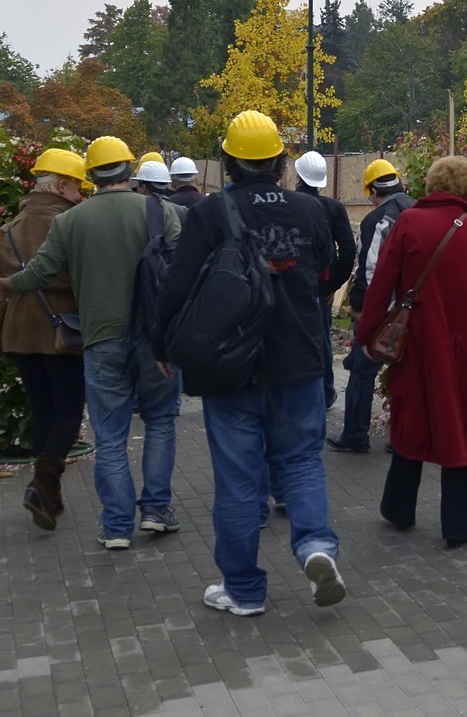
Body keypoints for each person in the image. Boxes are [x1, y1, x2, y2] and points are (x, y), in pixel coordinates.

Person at [150, 110, 343, 616]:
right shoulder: (311, 210)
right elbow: (324, 272)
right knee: (301, 462)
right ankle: (316, 546)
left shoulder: (212, 212)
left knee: (238, 481)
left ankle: (243, 590)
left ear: (229, 161)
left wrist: (160, 345)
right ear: (280, 161)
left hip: (230, 366)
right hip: (299, 359)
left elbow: (177, 284)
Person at [0, 135, 184, 550]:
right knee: (161, 422)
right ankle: (155, 511)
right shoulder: (160, 211)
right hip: (155, 339)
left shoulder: (71, 221)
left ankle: (116, 526)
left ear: (92, 175)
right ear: (129, 170)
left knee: (110, 435)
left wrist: (6, 285)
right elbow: (187, 264)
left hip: (100, 339)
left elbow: (39, 273)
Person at [355, 156, 467, 547]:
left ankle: (399, 510)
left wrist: (368, 334)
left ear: (431, 185)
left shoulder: (409, 223)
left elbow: (381, 285)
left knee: (412, 423)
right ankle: (457, 526)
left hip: (419, 343)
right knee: (461, 428)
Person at [0, 147, 89, 531]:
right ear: (61, 186)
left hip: (18, 334)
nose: (80, 194)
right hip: (61, 332)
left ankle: (48, 495)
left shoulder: (9, 229)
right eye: (77, 187)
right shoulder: (71, 224)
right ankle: (42, 484)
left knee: (42, 409)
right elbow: (80, 281)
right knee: (69, 411)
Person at [328, 158, 415, 453]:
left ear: (373, 191)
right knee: (408, 374)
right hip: (415, 309)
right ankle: (404, 437)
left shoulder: (376, 221)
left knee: (362, 372)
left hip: (383, 312)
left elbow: (370, 271)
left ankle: (355, 435)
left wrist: (360, 308)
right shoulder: (418, 211)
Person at [292, 150, 357, 410]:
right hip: (320, 286)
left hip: (291, 285)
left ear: (298, 176)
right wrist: (334, 284)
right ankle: (326, 392)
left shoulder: (288, 204)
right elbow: (348, 250)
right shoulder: (332, 208)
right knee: (321, 340)